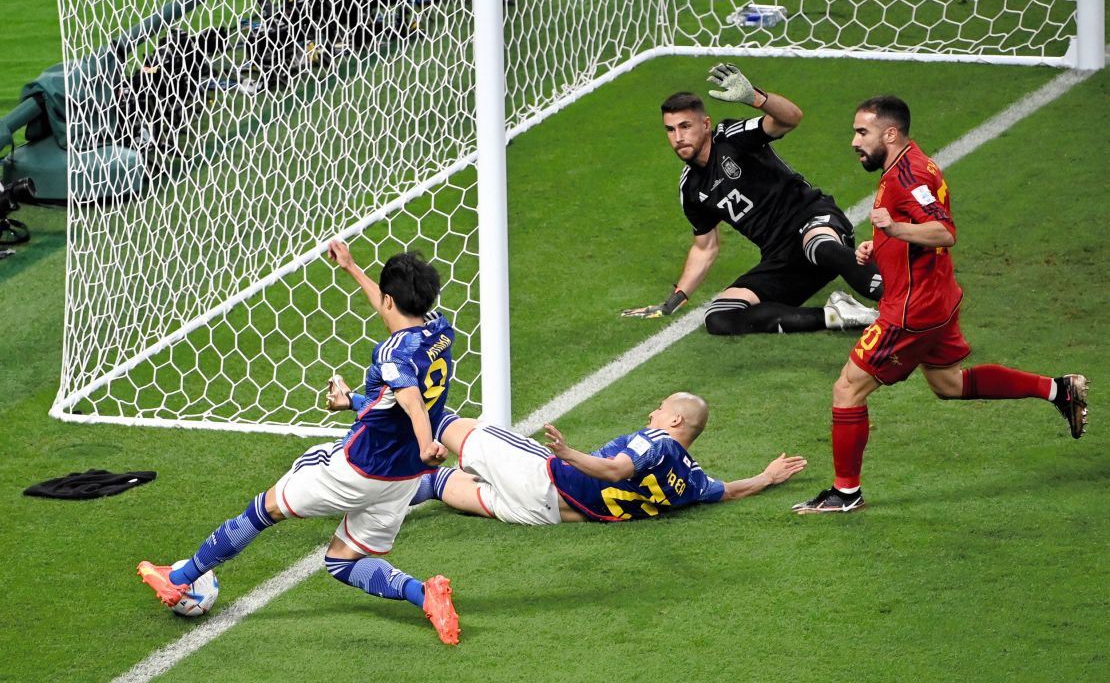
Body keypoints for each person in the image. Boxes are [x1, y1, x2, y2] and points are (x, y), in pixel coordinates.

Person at [137, 242, 461, 645]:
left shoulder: (391, 353)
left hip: (359, 467)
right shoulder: (440, 329)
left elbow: (411, 403)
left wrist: (428, 441)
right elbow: (397, 375)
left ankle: (179, 580)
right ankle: (425, 594)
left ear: (391, 298)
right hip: (404, 477)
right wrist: (352, 267)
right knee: (342, 561)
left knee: (266, 507)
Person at [792, 96, 1089, 514]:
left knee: (847, 389)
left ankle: (845, 494)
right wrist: (880, 245)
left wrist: (893, 227)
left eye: (862, 132)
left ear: (890, 133)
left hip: (912, 311)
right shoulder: (909, 164)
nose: (854, 142)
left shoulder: (908, 176)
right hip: (937, 297)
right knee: (948, 384)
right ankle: (1059, 389)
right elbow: (919, 228)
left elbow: (943, 232)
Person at [622, 62, 884, 335]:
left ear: (705, 124)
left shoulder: (730, 138)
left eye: (685, 126)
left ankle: (903, 302)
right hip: (782, 259)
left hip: (812, 220)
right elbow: (705, 248)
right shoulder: (690, 188)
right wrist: (674, 299)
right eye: (670, 130)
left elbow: (791, 118)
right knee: (719, 317)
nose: (678, 137)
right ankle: (838, 315)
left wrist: (757, 99)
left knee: (818, 246)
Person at [408, 392, 807, 523]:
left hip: (542, 475)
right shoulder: (694, 480)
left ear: (675, 419)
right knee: (441, 485)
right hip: (547, 514)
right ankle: (401, 488)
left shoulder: (656, 441)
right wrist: (766, 478)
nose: (652, 413)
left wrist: (567, 453)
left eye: (660, 408)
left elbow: (616, 469)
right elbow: (731, 492)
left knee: (440, 420)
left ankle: (356, 409)